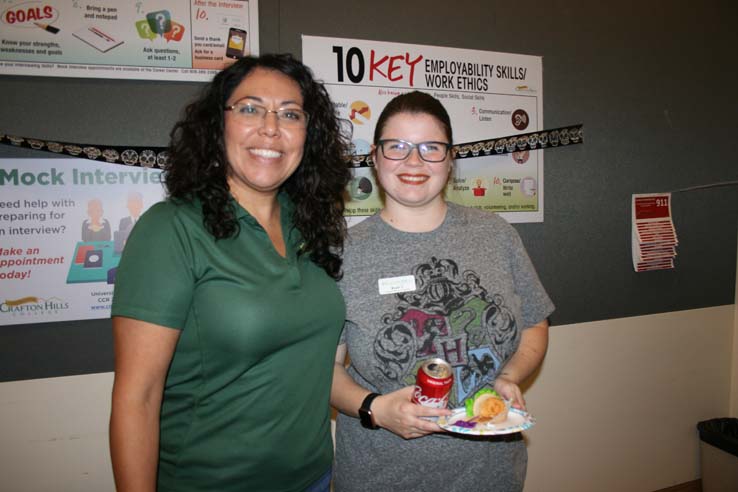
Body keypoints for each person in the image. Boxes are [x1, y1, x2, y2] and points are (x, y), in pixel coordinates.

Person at [110, 54, 351, 492]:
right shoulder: (172, 229)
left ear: (307, 135)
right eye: (250, 108)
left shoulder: (310, 225)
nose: (271, 128)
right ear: (217, 126)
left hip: (314, 478)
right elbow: (137, 398)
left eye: (290, 114)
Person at [330, 91, 554, 491]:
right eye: (396, 146)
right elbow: (321, 370)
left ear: (450, 160)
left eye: (430, 148)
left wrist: (509, 375)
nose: (413, 161)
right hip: (381, 476)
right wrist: (377, 408)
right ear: (375, 157)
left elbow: (535, 323)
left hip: (490, 475)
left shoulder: (497, 236)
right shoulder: (343, 254)